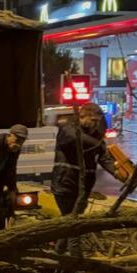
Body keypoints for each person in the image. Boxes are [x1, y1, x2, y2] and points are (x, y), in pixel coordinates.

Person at [51, 103, 116, 255]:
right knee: (74, 224)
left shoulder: (94, 136)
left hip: (83, 187)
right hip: (65, 184)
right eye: (92, 120)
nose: (95, 124)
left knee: (70, 223)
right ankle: (76, 260)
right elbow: (74, 138)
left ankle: (58, 255)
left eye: (97, 121)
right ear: (82, 117)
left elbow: (104, 158)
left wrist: (121, 174)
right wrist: (99, 144)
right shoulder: (68, 129)